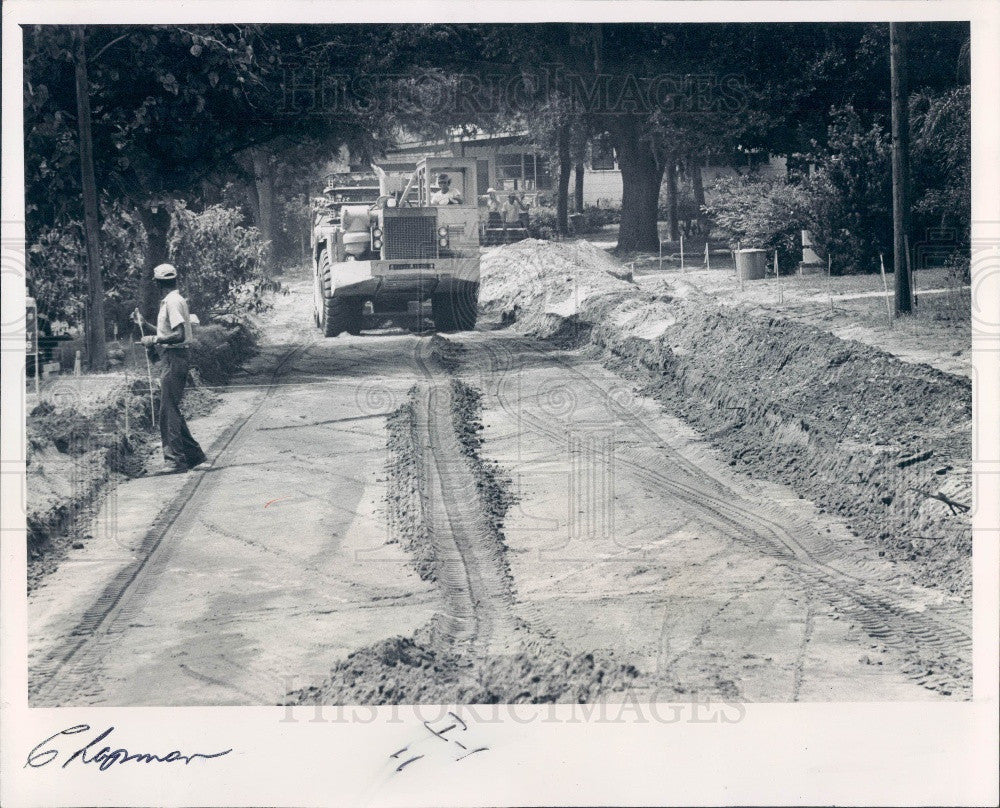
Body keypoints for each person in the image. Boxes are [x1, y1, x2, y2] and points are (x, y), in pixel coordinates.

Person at [132, 263, 206, 473]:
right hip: (173, 357)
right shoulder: (175, 300)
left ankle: (175, 461)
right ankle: (193, 455)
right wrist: (145, 325)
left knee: (167, 411)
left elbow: (179, 335)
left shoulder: (172, 302)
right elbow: (169, 333)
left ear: (158, 283)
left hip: (174, 358)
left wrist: (154, 339)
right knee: (170, 409)